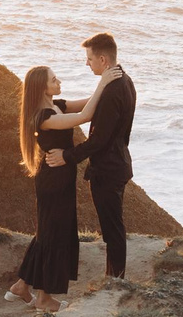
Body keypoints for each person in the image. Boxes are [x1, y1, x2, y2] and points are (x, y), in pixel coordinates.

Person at [6, 65, 115, 310]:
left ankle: (22, 286)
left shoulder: (57, 106)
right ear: (42, 87)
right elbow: (84, 116)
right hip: (53, 181)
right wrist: (104, 81)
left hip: (61, 177)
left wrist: (110, 84)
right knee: (54, 234)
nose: (59, 82)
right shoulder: (43, 117)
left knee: (47, 231)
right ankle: (44, 299)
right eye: (54, 80)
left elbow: (89, 103)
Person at [42, 31, 135, 279]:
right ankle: (114, 277)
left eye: (90, 59)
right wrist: (100, 85)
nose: (87, 63)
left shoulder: (113, 88)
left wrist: (68, 156)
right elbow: (99, 119)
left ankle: (115, 279)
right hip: (119, 163)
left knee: (112, 228)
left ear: (103, 60)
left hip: (108, 169)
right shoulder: (124, 81)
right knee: (113, 226)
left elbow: (98, 140)